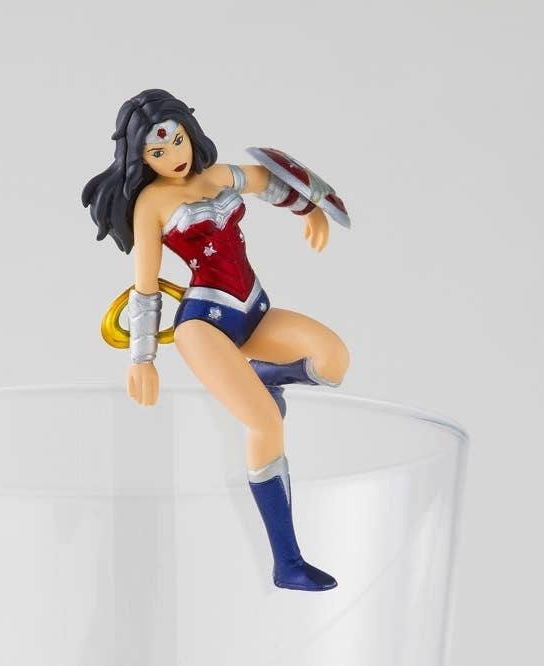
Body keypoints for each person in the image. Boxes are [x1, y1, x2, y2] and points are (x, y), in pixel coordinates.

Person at [82, 89, 349, 591]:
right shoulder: (151, 204)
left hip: (255, 310)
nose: (173, 155)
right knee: (265, 423)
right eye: (156, 151)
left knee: (332, 360)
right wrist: (142, 358)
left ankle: (259, 377)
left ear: (189, 131)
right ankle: (288, 562)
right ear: (141, 158)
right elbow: (145, 287)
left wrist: (310, 208)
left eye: (176, 140)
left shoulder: (220, 174)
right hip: (203, 323)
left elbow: (268, 181)